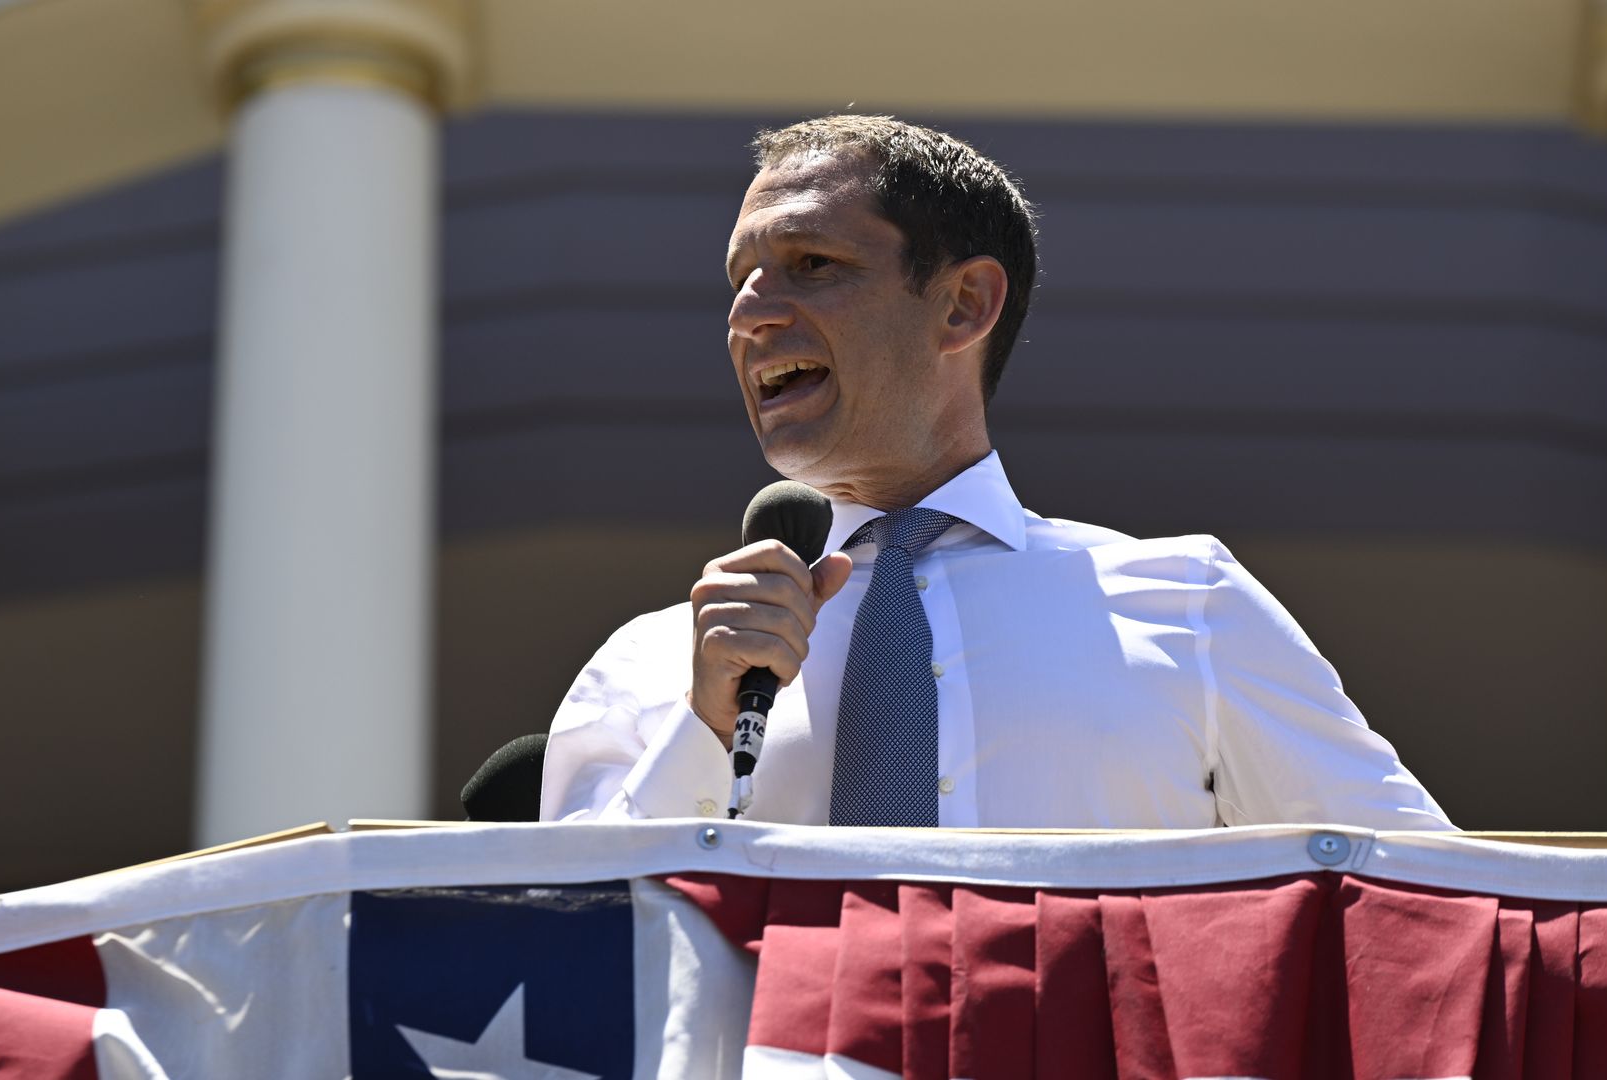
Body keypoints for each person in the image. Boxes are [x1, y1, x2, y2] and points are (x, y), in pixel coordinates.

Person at [539, 115, 1451, 831]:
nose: (750, 315)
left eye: (811, 265)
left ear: (965, 303)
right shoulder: (655, 665)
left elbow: (1423, 910)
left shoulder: (1193, 607)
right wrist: (701, 732)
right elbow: (569, 970)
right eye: (739, 280)